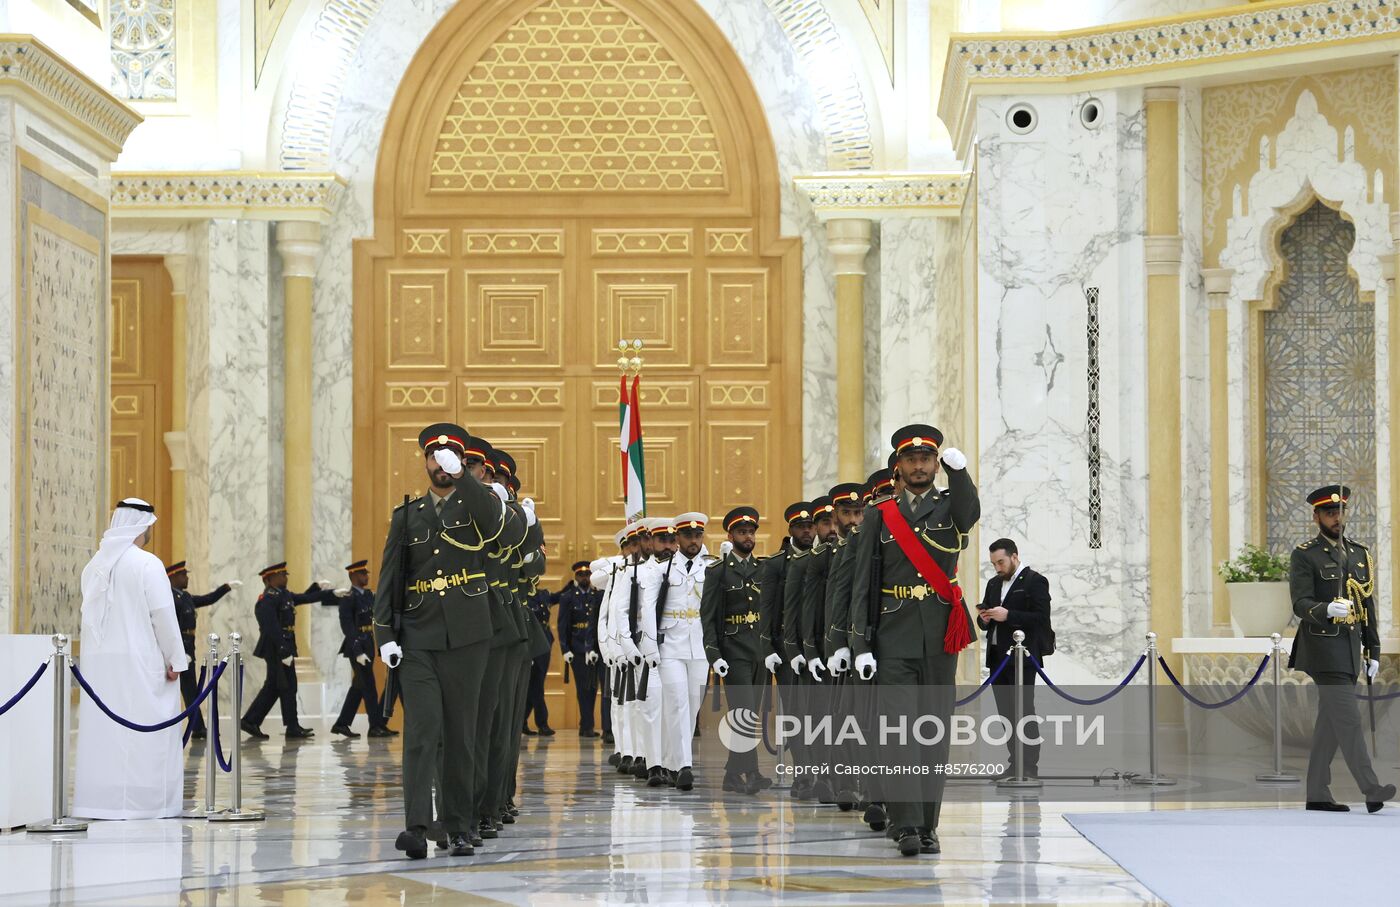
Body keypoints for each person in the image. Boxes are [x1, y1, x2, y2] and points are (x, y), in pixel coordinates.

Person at [375, 423, 521, 859]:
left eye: (450, 459)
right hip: (418, 637)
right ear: (424, 462)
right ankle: (417, 827)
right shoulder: (407, 516)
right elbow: (390, 580)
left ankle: (458, 825)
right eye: (434, 459)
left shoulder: (478, 507)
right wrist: (385, 635)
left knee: (461, 734)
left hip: (469, 636)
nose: (440, 465)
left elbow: (503, 532)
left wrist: (466, 481)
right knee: (422, 732)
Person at [850, 424, 978, 857]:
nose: (919, 466)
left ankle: (928, 825)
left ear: (935, 464)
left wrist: (960, 474)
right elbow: (862, 585)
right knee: (898, 732)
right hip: (892, 635)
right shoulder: (879, 514)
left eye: (927, 459)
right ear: (899, 467)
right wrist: (859, 644)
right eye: (911, 460)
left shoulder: (950, 508)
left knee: (933, 733)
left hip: (940, 636)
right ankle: (904, 824)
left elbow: (970, 513)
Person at [73, 500, 189, 819]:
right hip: (141, 663)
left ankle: (103, 802)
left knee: (108, 733)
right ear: (142, 526)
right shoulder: (147, 564)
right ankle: (147, 804)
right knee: (144, 734)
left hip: (101, 667)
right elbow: (163, 616)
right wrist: (176, 659)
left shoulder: (95, 565)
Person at [1289, 485, 1395, 813]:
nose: (1337, 518)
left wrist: (1373, 651)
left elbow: (1367, 604)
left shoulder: (1358, 553)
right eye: (1329, 513)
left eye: (1340, 512)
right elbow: (1300, 603)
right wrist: (1325, 610)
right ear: (1316, 516)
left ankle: (1317, 793)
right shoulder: (1305, 554)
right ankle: (1371, 787)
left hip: (1349, 650)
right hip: (1322, 648)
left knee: (1330, 723)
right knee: (1348, 720)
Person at [640, 513, 712, 790]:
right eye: (687, 536)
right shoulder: (663, 570)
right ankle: (684, 766)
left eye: (697, 536)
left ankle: (671, 762)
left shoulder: (711, 568)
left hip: (700, 646)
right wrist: (649, 649)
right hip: (670, 646)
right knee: (678, 703)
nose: (693, 541)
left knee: (692, 706)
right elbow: (648, 610)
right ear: (678, 538)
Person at [701, 506, 770, 794]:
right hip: (734, 650)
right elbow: (708, 615)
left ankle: (735, 772)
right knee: (742, 711)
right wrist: (713, 655)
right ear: (730, 535)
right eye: (742, 532)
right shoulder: (718, 571)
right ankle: (748, 772)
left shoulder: (763, 568)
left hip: (759, 651)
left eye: (751, 532)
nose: (748, 537)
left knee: (750, 713)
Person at [977, 538, 1053, 779]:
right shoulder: (992, 583)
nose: (998, 567)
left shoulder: (1035, 581)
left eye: (1001, 562)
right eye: (994, 563)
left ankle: (1030, 766)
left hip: (1022, 656)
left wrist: (1008, 615)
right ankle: (1014, 763)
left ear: (1014, 556)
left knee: (1023, 710)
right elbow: (987, 619)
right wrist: (985, 618)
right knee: (1006, 713)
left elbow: (1041, 617)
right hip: (998, 657)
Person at [241, 563, 327, 739]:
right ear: (269, 579)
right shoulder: (267, 600)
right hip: (276, 648)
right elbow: (270, 628)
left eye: (285, 574)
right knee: (285, 686)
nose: (285, 578)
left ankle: (252, 721)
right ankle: (288, 726)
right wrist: (283, 650)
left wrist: (319, 589)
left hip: (284, 646)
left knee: (277, 687)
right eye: (281, 575)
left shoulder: (283, 595)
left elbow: (303, 598)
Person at [323, 560, 394, 739]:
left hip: (368, 644)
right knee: (369, 687)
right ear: (353, 576)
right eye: (363, 574)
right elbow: (347, 627)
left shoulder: (368, 595)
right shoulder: (348, 598)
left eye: (366, 573)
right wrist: (358, 651)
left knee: (358, 687)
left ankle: (341, 724)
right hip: (357, 648)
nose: (366, 576)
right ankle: (375, 726)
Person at [167, 561, 234, 739]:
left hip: (188, 647)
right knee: (187, 690)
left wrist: (225, 588)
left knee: (191, 690)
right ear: (172, 577)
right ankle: (196, 727)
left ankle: (198, 727)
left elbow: (207, 599)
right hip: (179, 649)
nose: (187, 577)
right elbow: (170, 628)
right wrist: (180, 652)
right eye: (183, 575)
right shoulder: (170, 598)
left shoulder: (185, 597)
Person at [557, 561, 603, 738]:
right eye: (581, 575)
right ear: (575, 577)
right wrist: (564, 649)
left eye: (587, 575)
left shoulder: (595, 594)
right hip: (577, 649)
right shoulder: (568, 597)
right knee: (583, 689)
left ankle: (586, 724)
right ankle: (587, 725)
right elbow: (563, 626)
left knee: (593, 688)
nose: (584, 578)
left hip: (594, 650)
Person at [524, 584, 555, 736]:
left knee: (536, 684)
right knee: (534, 686)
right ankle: (542, 723)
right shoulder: (523, 595)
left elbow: (555, 598)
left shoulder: (543, 594)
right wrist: (527, 652)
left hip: (544, 643)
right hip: (531, 644)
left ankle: (522, 721)